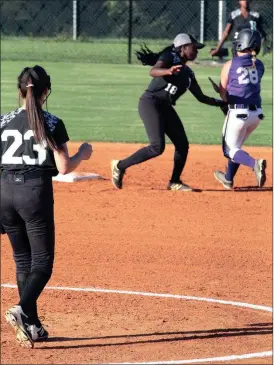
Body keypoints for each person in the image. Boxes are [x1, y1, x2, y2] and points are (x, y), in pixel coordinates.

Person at [0, 65, 92, 348]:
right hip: (34, 193)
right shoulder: (50, 121)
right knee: (42, 264)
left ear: (19, 90)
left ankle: (33, 326)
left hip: (4, 191)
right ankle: (21, 309)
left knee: (22, 261)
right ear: (46, 91)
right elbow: (64, 168)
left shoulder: (3, 120)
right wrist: (82, 154)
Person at [111, 34, 226, 191]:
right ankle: (119, 166)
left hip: (166, 107)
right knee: (157, 147)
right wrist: (168, 71)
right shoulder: (169, 57)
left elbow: (201, 97)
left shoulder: (189, 74)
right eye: (194, 47)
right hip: (150, 103)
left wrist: (220, 103)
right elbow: (153, 71)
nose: (197, 51)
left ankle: (174, 181)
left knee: (182, 145)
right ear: (183, 47)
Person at [213, 29, 266, 189]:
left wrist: (221, 92)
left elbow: (224, 95)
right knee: (236, 147)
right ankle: (228, 179)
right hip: (256, 115)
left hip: (238, 112)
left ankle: (254, 164)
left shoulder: (229, 64)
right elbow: (248, 84)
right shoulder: (260, 65)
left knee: (229, 150)